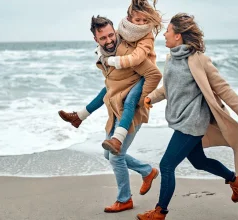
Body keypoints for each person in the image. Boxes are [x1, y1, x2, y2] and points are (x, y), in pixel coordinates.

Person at [136, 13, 238, 220]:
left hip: (193, 123)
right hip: (180, 121)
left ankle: (160, 212)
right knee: (199, 162)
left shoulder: (199, 60)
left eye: (168, 31)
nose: (164, 34)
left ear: (178, 35)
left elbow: (223, 89)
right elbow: (168, 88)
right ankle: (235, 180)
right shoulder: (171, 58)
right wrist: (151, 97)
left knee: (166, 165)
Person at [60, 15, 162, 213]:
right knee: (109, 154)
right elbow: (109, 87)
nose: (108, 41)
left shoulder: (127, 52)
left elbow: (155, 74)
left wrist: (140, 101)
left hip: (131, 113)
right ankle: (147, 171)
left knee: (116, 156)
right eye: (103, 38)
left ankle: (124, 199)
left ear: (115, 31)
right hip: (116, 111)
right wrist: (83, 113)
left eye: (110, 35)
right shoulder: (103, 56)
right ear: (95, 40)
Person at [58, 0, 162, 155]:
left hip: (142, 74)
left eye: (144, 20)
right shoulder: (124, 30)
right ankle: (79, 116)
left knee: (130, 100)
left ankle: (117, 139)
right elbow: (111, 46)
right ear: (130, 19)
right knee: (106, 90)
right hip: (129, 72)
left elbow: (137, 58)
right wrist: (101, 53)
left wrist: (115, 61)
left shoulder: (146, 36)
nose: (141, 23)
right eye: (137, 20)